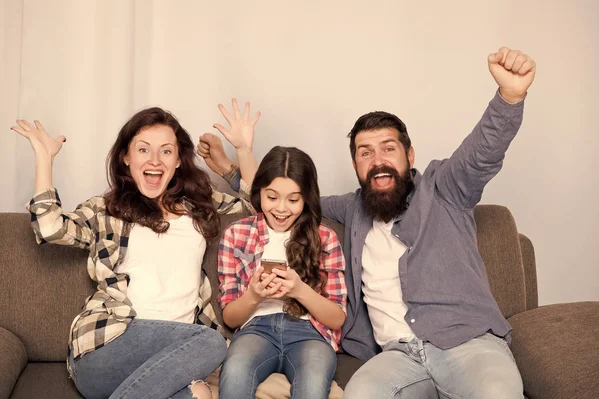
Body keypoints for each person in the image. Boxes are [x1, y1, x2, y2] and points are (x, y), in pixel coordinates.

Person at [202, 47, 536, 397]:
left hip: (467, 345)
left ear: (409, 155)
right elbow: (286, 197)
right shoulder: (352, 208)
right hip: (396, 358)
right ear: (356, 166)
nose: (378, 161)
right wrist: (232, 169)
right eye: (365, 153)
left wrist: (509, 97)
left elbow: (480, 155)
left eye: (388, 149)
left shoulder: (446, 188)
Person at [11, 100, 259, 399]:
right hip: (108, 347)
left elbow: (261, 208)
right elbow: (50, 227)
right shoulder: (106, 209)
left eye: (166, 151)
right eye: (143, 149)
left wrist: (239, 155)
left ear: (179, 160)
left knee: (200, 394)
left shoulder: (198, 206)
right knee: (213, 343)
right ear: (126, 157)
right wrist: (44, 158)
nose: (155, 160)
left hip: (171, 357)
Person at [217, 146, 347, 399]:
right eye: (272, 197)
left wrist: (300, 291)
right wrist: (254, 296)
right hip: (256, 328)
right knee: (235, 372)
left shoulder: (325, 238)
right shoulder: (236, 234)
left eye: (294, 199)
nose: (281, 209)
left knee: (312, 384)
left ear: (307, 198)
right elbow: (230, 318)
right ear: (259, 194)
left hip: (310, 333)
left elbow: (336, 318)